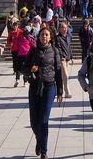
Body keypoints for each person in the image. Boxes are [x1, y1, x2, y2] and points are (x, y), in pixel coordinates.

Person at [23, 27, 63, 159]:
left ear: (50, 37)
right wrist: (30, 69)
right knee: (34, 121)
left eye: (46, 35)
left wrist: (60, 91)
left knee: (44, 119)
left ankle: (44, 151)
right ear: (39, 36)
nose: (44, 37)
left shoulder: (55, 51)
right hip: (34, 86)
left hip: (49, 87)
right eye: (42, 35)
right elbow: (24, 68)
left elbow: (58, 72)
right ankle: (38, 139)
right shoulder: (33, 51)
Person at [55, 21, 73, 98]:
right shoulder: (58, 38)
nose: (64, 29)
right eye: (62, 27)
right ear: (59, 29)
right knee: (65, 75)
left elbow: (69, 47)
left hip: (67, 58)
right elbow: (58, 48)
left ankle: (57, 90)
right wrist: (61, 56)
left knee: (62, 76)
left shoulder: (68, 36)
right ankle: (67, 92)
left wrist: (71, 57)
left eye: (65, 27)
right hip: (62, 59)